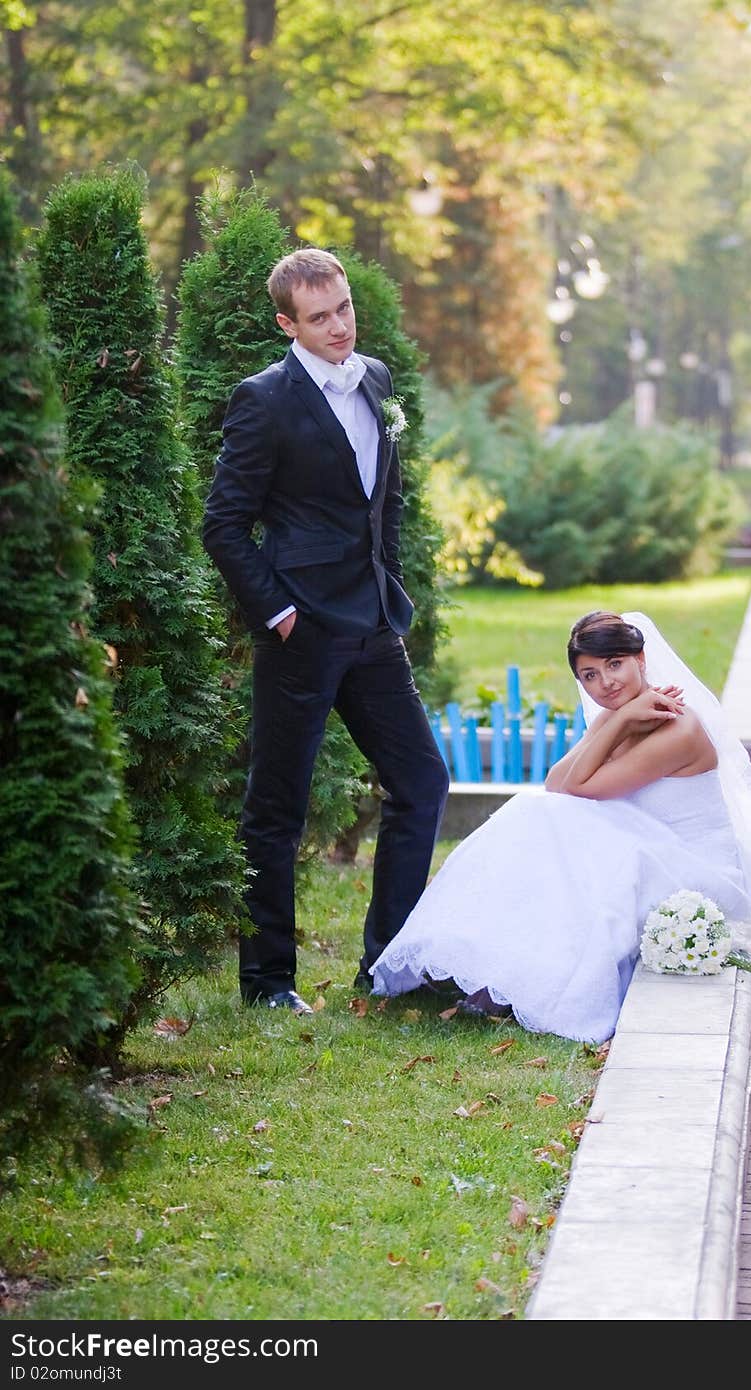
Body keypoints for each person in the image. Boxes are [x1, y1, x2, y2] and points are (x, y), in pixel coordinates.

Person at [202, 247, 449, 1015]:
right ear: (287, 323)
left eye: (343, 308)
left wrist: (391, 584)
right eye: (320, 317)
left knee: (422, 782)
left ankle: (388, 966)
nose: (339, 326)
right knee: (277, 805)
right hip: (302, 633)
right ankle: (267, 982)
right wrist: (280, 615)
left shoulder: (375, 377)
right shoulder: (264, 400)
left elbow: (386, 500)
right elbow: (223, 526)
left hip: (373, 625)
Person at [370, 612, 751, 1043]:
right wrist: (617, 720)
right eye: (590, 674)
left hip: (693, 867)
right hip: (651, 846)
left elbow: (581, 788)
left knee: (562, 829)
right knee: (535, 813)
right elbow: (556, 785)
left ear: (642, 660)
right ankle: (483, 964)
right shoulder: (621, 713)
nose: (605, 682)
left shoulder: (677, 727)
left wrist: (621, 721)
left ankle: (515, 980)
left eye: (615, 664)